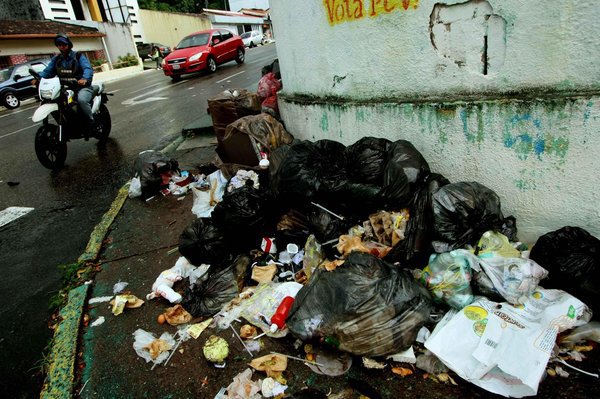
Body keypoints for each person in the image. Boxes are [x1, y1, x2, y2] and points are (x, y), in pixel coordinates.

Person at [34, 33, 97, 133]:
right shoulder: (57, 59)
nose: (62, 46)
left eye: (64, 44)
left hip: (81, 87)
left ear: (69, 44)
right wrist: (39, 78)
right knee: (56, 101)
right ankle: (68, 124)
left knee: (81, 100)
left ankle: (91, 122)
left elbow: (87, 68)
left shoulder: (78, 56)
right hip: (64, 88)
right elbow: (47, 72)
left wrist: (85, 78)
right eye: (59, 44)